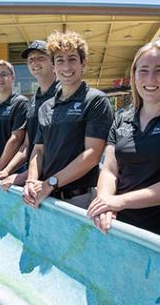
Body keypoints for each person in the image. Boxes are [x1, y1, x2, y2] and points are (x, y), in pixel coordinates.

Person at [86, 41, 160, 241]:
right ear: (134, 76)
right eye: (143, 70)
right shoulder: (121, 118)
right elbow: (109, 170)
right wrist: (105, 202)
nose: (150, 78)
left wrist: (117, 201)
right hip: (119, 227)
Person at [23, 31, 113, 209]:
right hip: (44, 196)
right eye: (60, 61)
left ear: (83, 64)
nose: (66, 67)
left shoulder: (95, 100)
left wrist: (50, 183)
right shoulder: (45, 107)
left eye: (72, 59)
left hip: (78, 200)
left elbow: (92, 155)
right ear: (54, 67)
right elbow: (38, 151)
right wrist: (32, 181)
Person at [0, 40, 58, 189]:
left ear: (53, 62)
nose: (35, 62)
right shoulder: (33, 102)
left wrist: (23, 176)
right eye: (31, 59)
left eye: (41, 57)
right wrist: (5, 171)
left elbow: (58, 148)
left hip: (58, 184)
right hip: (34, 182)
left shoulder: (63, 96)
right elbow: (27, 145)